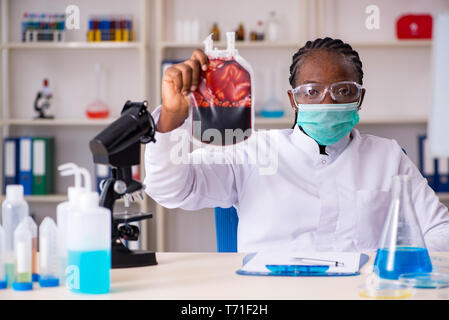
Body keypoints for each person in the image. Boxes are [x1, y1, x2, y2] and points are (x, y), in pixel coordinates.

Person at [144, 37, 449, 252]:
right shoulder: (250, 151)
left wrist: (393, 263)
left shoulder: (388, 156)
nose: (327, 101)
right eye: (312, 91)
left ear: (360, 97)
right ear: (293, 99)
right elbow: (171, 191)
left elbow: (440, 232)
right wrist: (172, 116)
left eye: (343, 91)